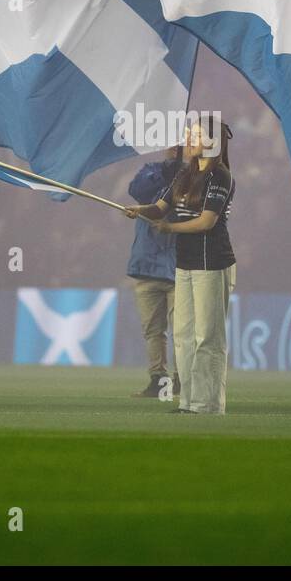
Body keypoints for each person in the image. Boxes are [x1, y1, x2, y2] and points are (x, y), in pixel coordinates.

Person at [125, 115, 235, 414]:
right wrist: (140, 210)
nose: (189, 140)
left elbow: (206, 221)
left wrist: (170, 229)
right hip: (184, 264)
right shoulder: (183, 175)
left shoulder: (220, 176)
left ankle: (208, 403)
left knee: (207, 337)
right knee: (183, 336)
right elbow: (160, 208)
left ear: (211, 142)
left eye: (195, 136)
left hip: (212, 262)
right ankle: (188, 401)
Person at [126, 147, 182, 399]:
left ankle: (181, 380)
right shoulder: (151, 171)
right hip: (147, 266)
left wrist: (179, 174)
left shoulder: (194, 178)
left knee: (181, 329)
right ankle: (158, 380)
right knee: (153, 330)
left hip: (178, 266)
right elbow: (136, 191)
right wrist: (164, 171)